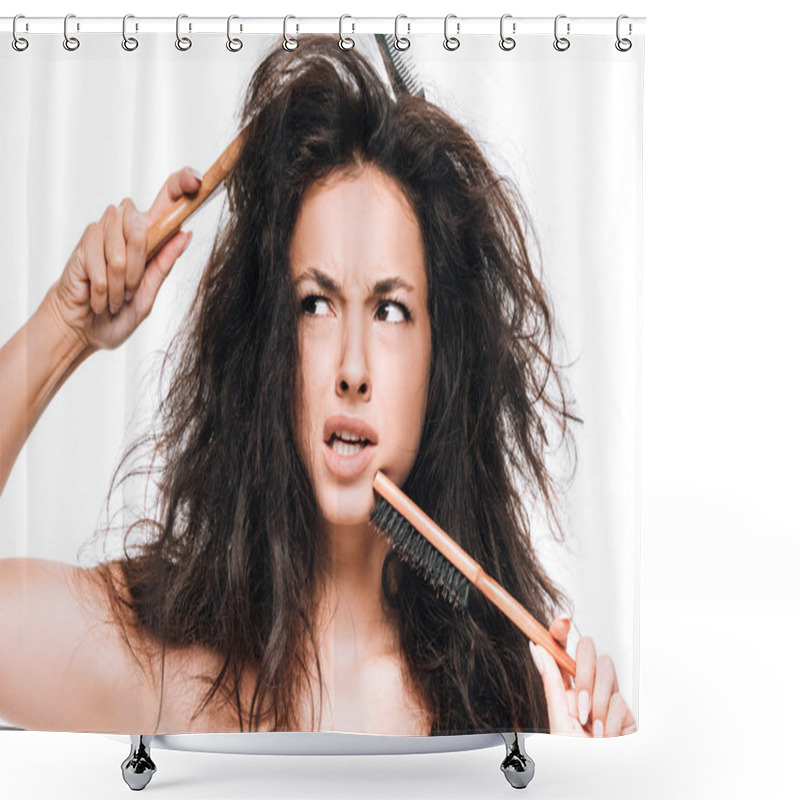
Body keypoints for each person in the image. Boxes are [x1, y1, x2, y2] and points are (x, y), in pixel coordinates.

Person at [0, 36, 635, 738]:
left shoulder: (518, 701)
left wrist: (594, 780)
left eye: (390, 310)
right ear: (268, 344)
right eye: (316, 303)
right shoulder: (157, 660)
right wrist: (65, 327)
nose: (352, 368)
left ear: (441, 362)